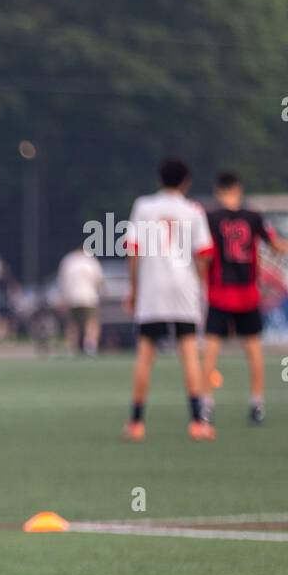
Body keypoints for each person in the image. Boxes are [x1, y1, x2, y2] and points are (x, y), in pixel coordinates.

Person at [201, 172, 288, 425]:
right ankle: (257, 405)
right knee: (254, 352)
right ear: (238, 189)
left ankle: (205, 407)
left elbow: (203, 254)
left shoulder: (210, 218)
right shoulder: (253, 217)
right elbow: (277, 246)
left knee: (211, 350)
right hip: (247, 295)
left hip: (220, 293)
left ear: (218, 191)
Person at [121, 158, 216, 442]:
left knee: (145, 357)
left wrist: (135, 290)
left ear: (159, 180)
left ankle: (136, 423)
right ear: (186, 181)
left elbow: (133, 251)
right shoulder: (193, 210)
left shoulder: (143, 206)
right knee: (189, 355)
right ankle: (198, 422)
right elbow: (205, 255)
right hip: (183, 290)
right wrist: (201, 284)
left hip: (152, 290)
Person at [56, 246, 104, 355]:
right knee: (91, 322)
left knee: (73, 324)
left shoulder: (68, 261)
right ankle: (90, 346)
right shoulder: (91, 261)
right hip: (89, 297)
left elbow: (62, 281)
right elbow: (98, 280)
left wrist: (63, 297)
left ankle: (72, 347)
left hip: (72, 298)